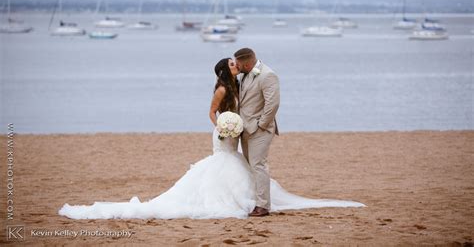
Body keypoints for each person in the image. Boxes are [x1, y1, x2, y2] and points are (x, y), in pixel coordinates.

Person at [58, 58, 364, 220]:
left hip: (236, 132)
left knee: (240, 166)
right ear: (224, 70)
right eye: (231, 64)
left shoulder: (240, 82)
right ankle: (242, 203)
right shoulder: (221, 89)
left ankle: (253, 202)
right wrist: (223, 127)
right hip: (223, 135)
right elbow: (211, 113)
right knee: (225, 166)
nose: (236, 66)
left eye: (236, 63)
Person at [234, 48, 279, 217]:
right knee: (250, 166)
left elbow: (272, 104)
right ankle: (254, 200)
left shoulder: (268, 75)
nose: (236, 67)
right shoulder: (243, 74)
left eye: (238, 64)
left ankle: (263, 206)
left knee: (258, 165)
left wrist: (261, 125)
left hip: (260, 130)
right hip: (244, 129)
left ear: (247, 63)